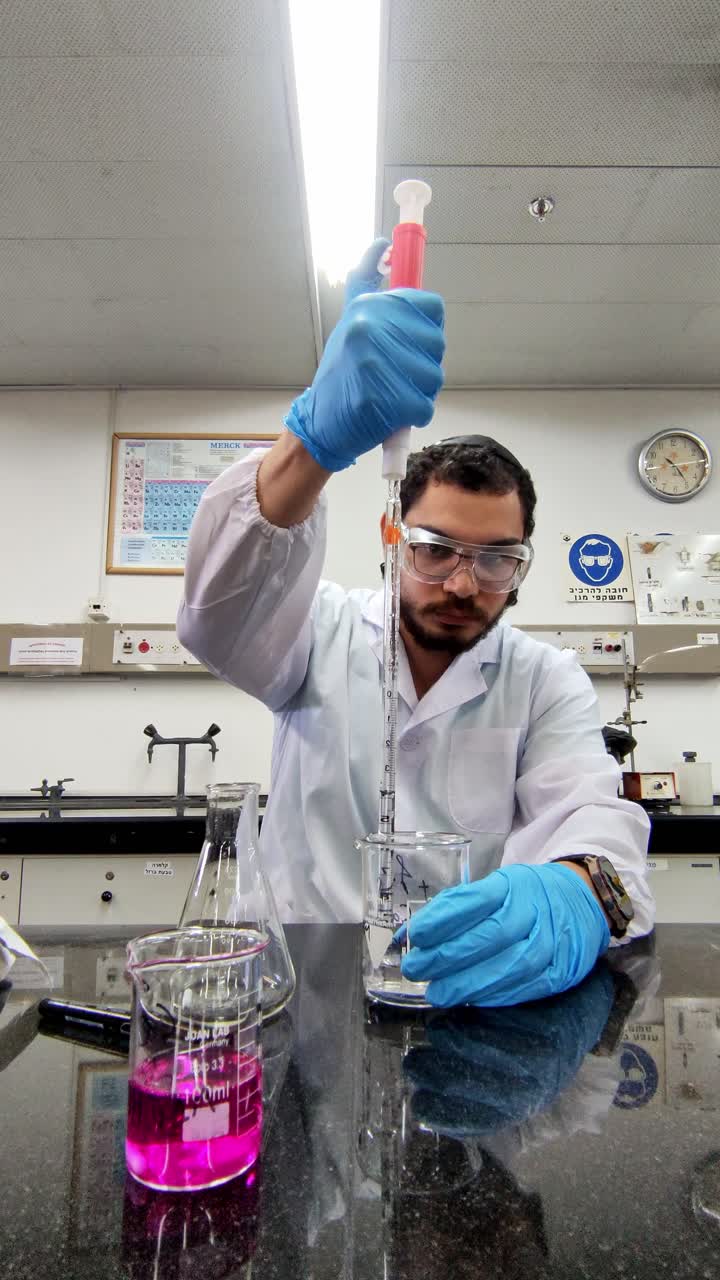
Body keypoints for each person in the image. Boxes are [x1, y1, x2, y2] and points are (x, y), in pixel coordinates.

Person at [177, 240, 654, 1007]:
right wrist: (311, 443)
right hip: (303, 990)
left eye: (497, 559)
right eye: (436, 550)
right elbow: (215, 618)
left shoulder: (543, 680)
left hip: (473, 989)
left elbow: (592, 818)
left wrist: (575, 890)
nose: (463, 582)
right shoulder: (318, 632)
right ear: (391, 536)